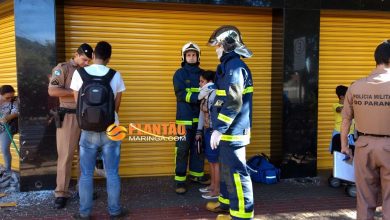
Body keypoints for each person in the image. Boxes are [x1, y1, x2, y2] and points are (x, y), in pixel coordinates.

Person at [70, 41, 127, 219]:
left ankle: (84, 213)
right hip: (112, 129)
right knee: (112, 173)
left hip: (87, 131)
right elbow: (116, 106)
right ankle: (115, 211)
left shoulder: (80, 73)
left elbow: (77, 102)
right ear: (109, 58)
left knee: (86, 174)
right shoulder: (115, 75)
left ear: (93, 55)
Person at [205, 25, 254, 220]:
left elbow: (234, 102)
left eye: (217, 45)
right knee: (227, 171)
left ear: (226, 45)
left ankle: (242, 215)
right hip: (226, 130)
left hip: (233, 131)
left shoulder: (234, 67)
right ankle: (226, 205)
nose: (215, 49)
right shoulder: (226, 67)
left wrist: (219, 128)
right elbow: (222, 98)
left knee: (237, 173)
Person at [341, 40, 390, 220]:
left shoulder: (355, 87)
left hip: (363, 147)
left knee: (364, 199)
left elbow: (346, 119)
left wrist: (344, 145)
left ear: (376, 59)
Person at [48, 43, 93, 209]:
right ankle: (61, 193)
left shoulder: (88, 70)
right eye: (84, 59)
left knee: (85, 155)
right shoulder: (63, 68)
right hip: (68, 116)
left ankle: (83, 190)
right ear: (76, 54)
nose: (86, 63)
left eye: (89, 61)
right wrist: (76, 92)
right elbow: (53, 91)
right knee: (66, 155)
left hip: (87, 116)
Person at [173, 42, 209, 194]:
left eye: (194, 55)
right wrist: (198, 96)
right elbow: (180, 94)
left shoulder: (203, 74)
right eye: (189, 55)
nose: (192, 57)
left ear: (198, 56)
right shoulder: (179, 74)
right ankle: (180, 180)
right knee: (182, 150)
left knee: (198, 148)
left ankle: (196, 175)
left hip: (200, 119)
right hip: (184, 120)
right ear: (184, 57)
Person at [195, 70, 220, 199]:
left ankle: (217, 190)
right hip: (206, 130)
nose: (199, 84)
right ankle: (212, 185)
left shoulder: (215, 93)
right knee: (210, 160)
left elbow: (216, 114)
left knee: (215, 161)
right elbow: (201, 114)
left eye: (202, 81)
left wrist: (216, 131)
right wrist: (199, 131)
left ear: (210, 82)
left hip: (213, 131)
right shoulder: (205, 94)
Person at [329, 85, 355, 153]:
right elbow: (340, 109)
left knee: (351, 154)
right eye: (348, 95)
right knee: (338, 154)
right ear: (342, 97)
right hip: (338, 133)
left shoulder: (351, 105)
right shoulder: (336, 106)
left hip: (350, 134)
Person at [0, 85, 18, 174]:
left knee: (4, 148)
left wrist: (8, 117)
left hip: (7, 126)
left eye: (12, 96)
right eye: (7, 97)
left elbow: (17, 112)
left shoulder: (14, 99)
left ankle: (7, 170)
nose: (10, 99)